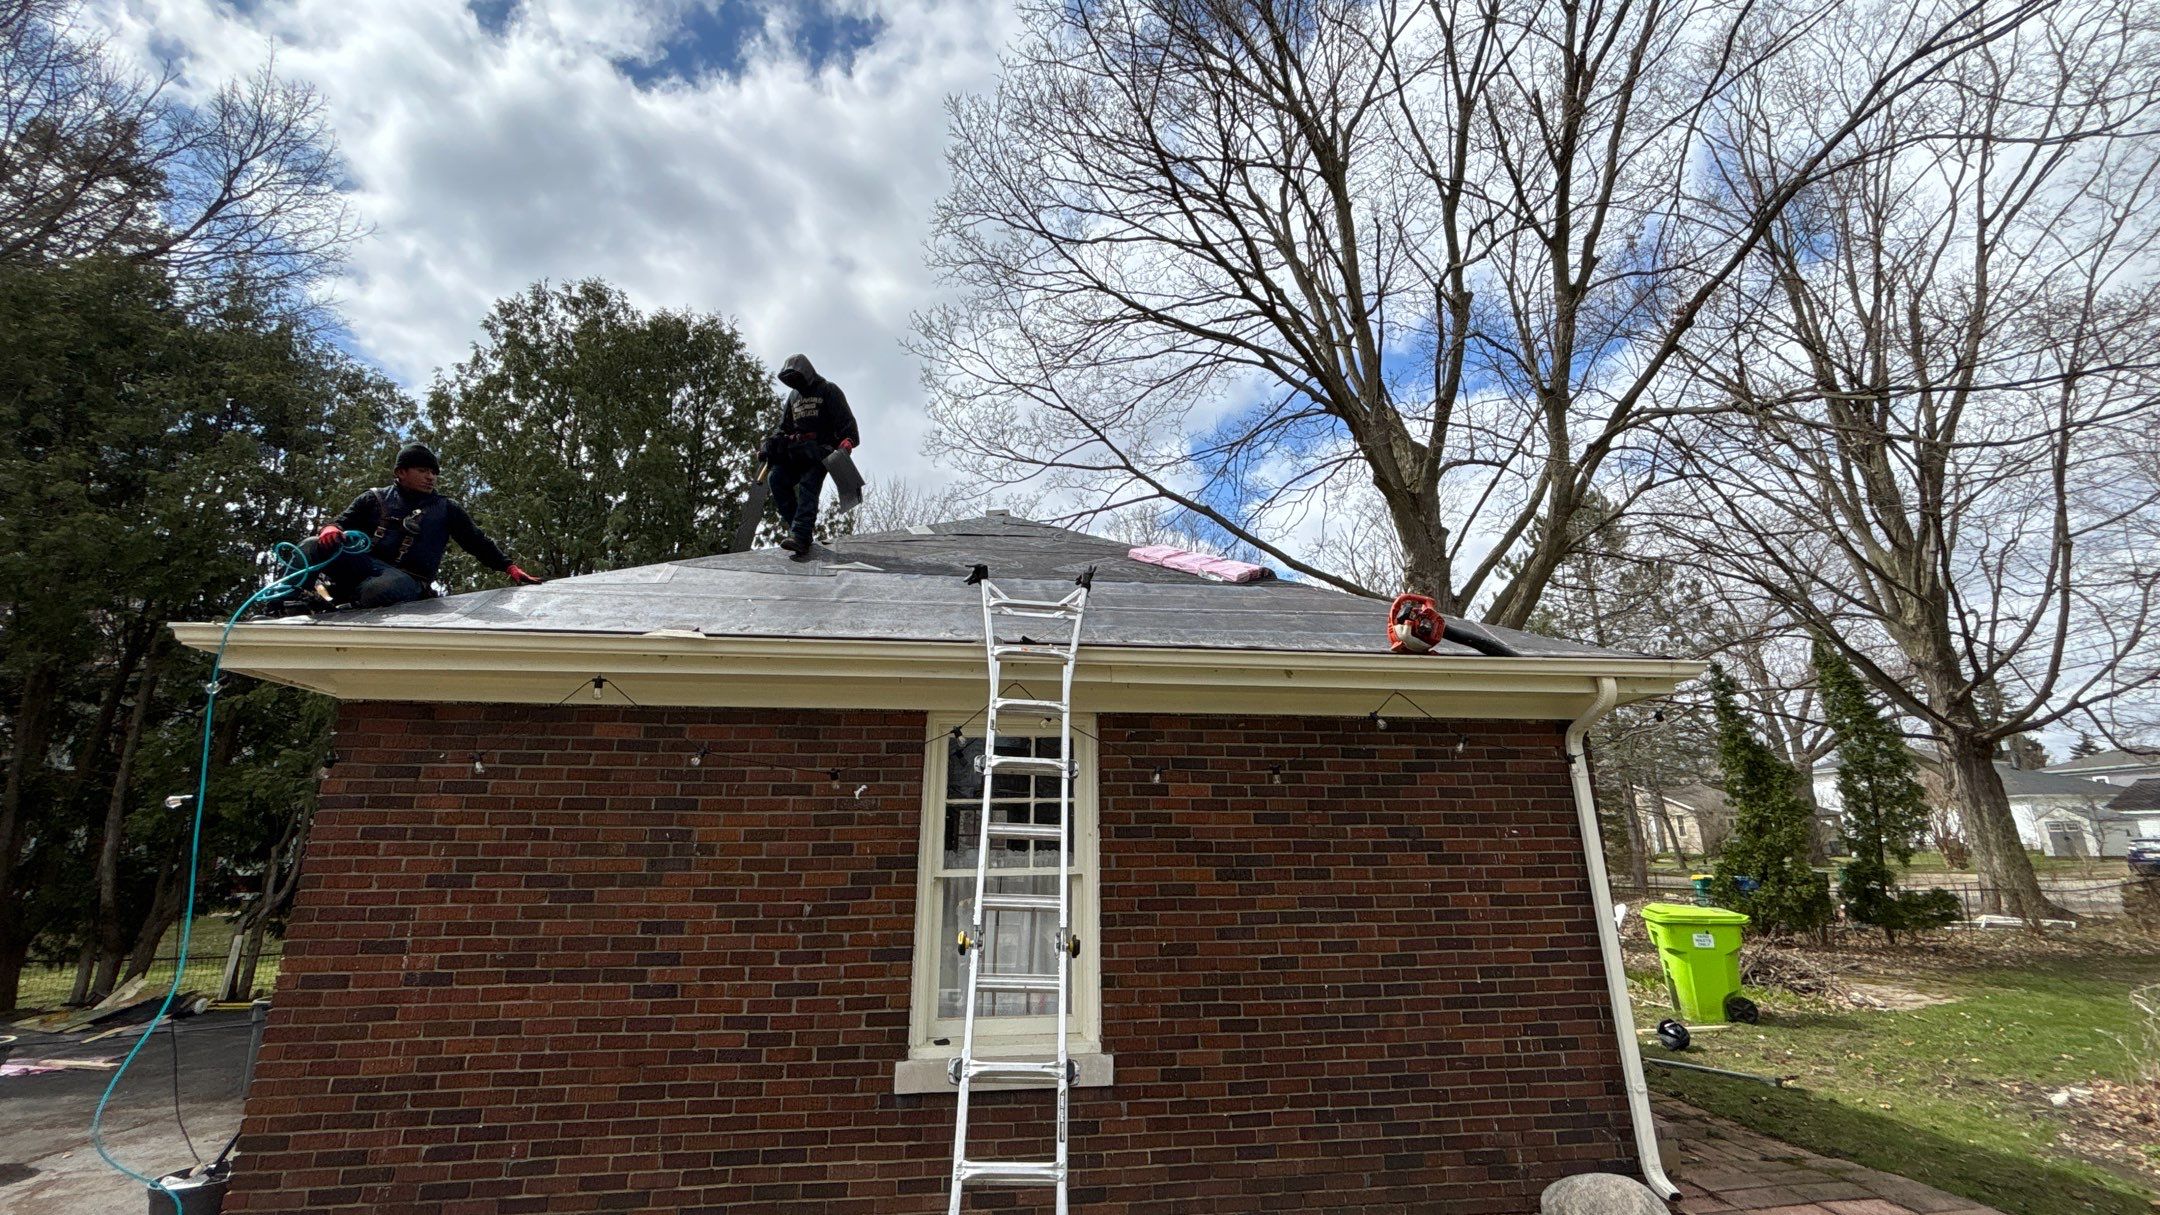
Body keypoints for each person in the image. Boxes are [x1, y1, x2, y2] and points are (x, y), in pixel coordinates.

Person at [295, 444, 541, 610]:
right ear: (400, 472)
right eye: (423, 470)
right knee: (310, 546)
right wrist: (329, 529)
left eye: (434, 472)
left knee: (378, 589)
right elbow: (339, 524)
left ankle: (339, 606)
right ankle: (289, 602)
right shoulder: (373, 498)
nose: (430, 477)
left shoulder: (446, 508)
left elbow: (476, 541)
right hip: (364, 565)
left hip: (409, 580)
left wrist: (508, 566)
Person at [763, 354, 859, 555]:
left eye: (797, 378)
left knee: (809, 484)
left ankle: (800, 535)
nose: (794, 383)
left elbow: (847, 423)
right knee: (776, 478)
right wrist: (772, 443)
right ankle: (800, 532)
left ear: (806, 373)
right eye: (790, 380)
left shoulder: (828, 390)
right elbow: (784, 427)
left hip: (820, 451)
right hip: (796, 451)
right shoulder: (793, 397)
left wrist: (847, 441)